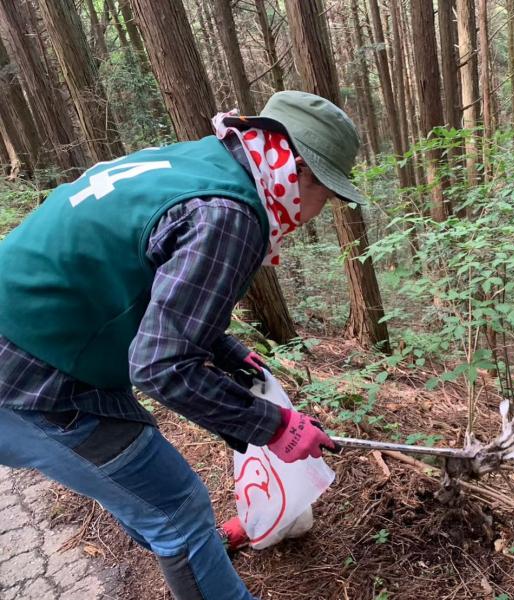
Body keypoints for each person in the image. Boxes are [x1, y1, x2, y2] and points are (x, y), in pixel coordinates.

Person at [0, 91, 363, 599]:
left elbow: (154, 279)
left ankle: (189, 552)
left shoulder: (201, 162)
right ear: (300, 170)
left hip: (47, 347)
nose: (322, 211)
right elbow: (160, 367)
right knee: (175, 506)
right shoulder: (231, 214)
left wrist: (227, 350)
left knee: (149, 497)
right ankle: (188, 549)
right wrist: (273, 425)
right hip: (31, 383)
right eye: (329, 193)